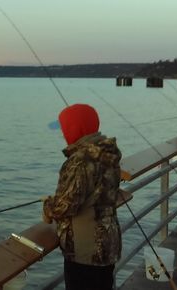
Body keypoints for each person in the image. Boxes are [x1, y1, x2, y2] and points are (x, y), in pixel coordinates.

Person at [43, 104, 121, 290]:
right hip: (108, 243)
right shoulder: (109, 153)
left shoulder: (79, 161)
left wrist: (48, 206)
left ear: (75, 129)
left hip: (85, 249)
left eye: (64, 128)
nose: (63, 134)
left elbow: (65, 205)